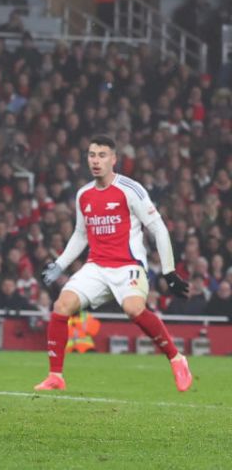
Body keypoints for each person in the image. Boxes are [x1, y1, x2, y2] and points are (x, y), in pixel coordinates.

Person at [36, 134, 192, 392]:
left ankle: (177, 359)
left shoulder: (130, 189)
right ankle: (56, 376)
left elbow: (159, 228)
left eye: (102, 155)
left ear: (114, 159)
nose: (96, 161)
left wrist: (169, 272)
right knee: (62, 305)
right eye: (92, 155)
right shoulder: (83, 195)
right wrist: (59, 265)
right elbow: (80, 234)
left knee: (133, 309)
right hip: (96, 266)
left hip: (128, 265)